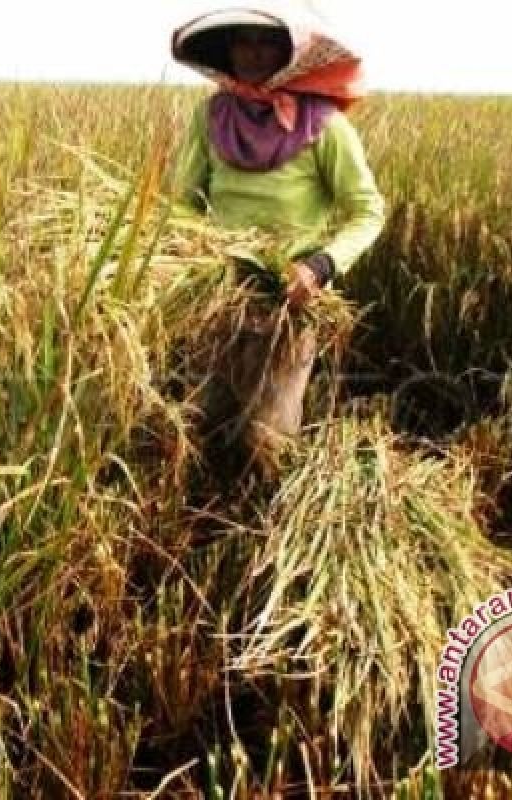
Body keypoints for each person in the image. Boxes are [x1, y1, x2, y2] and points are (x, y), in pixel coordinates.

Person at [170, 5, 385, 467]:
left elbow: (367, 212)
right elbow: (184, 203)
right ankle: (199, 528)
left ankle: (265, 529)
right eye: (242, 41)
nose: (251, 53)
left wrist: (319, 267)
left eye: (265, 42)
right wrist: (190, 254)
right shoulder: (211, 116)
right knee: (203, 420)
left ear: (290, 53)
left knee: (269, 438)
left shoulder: (325, 125)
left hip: (287, 301)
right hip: (218, 297)